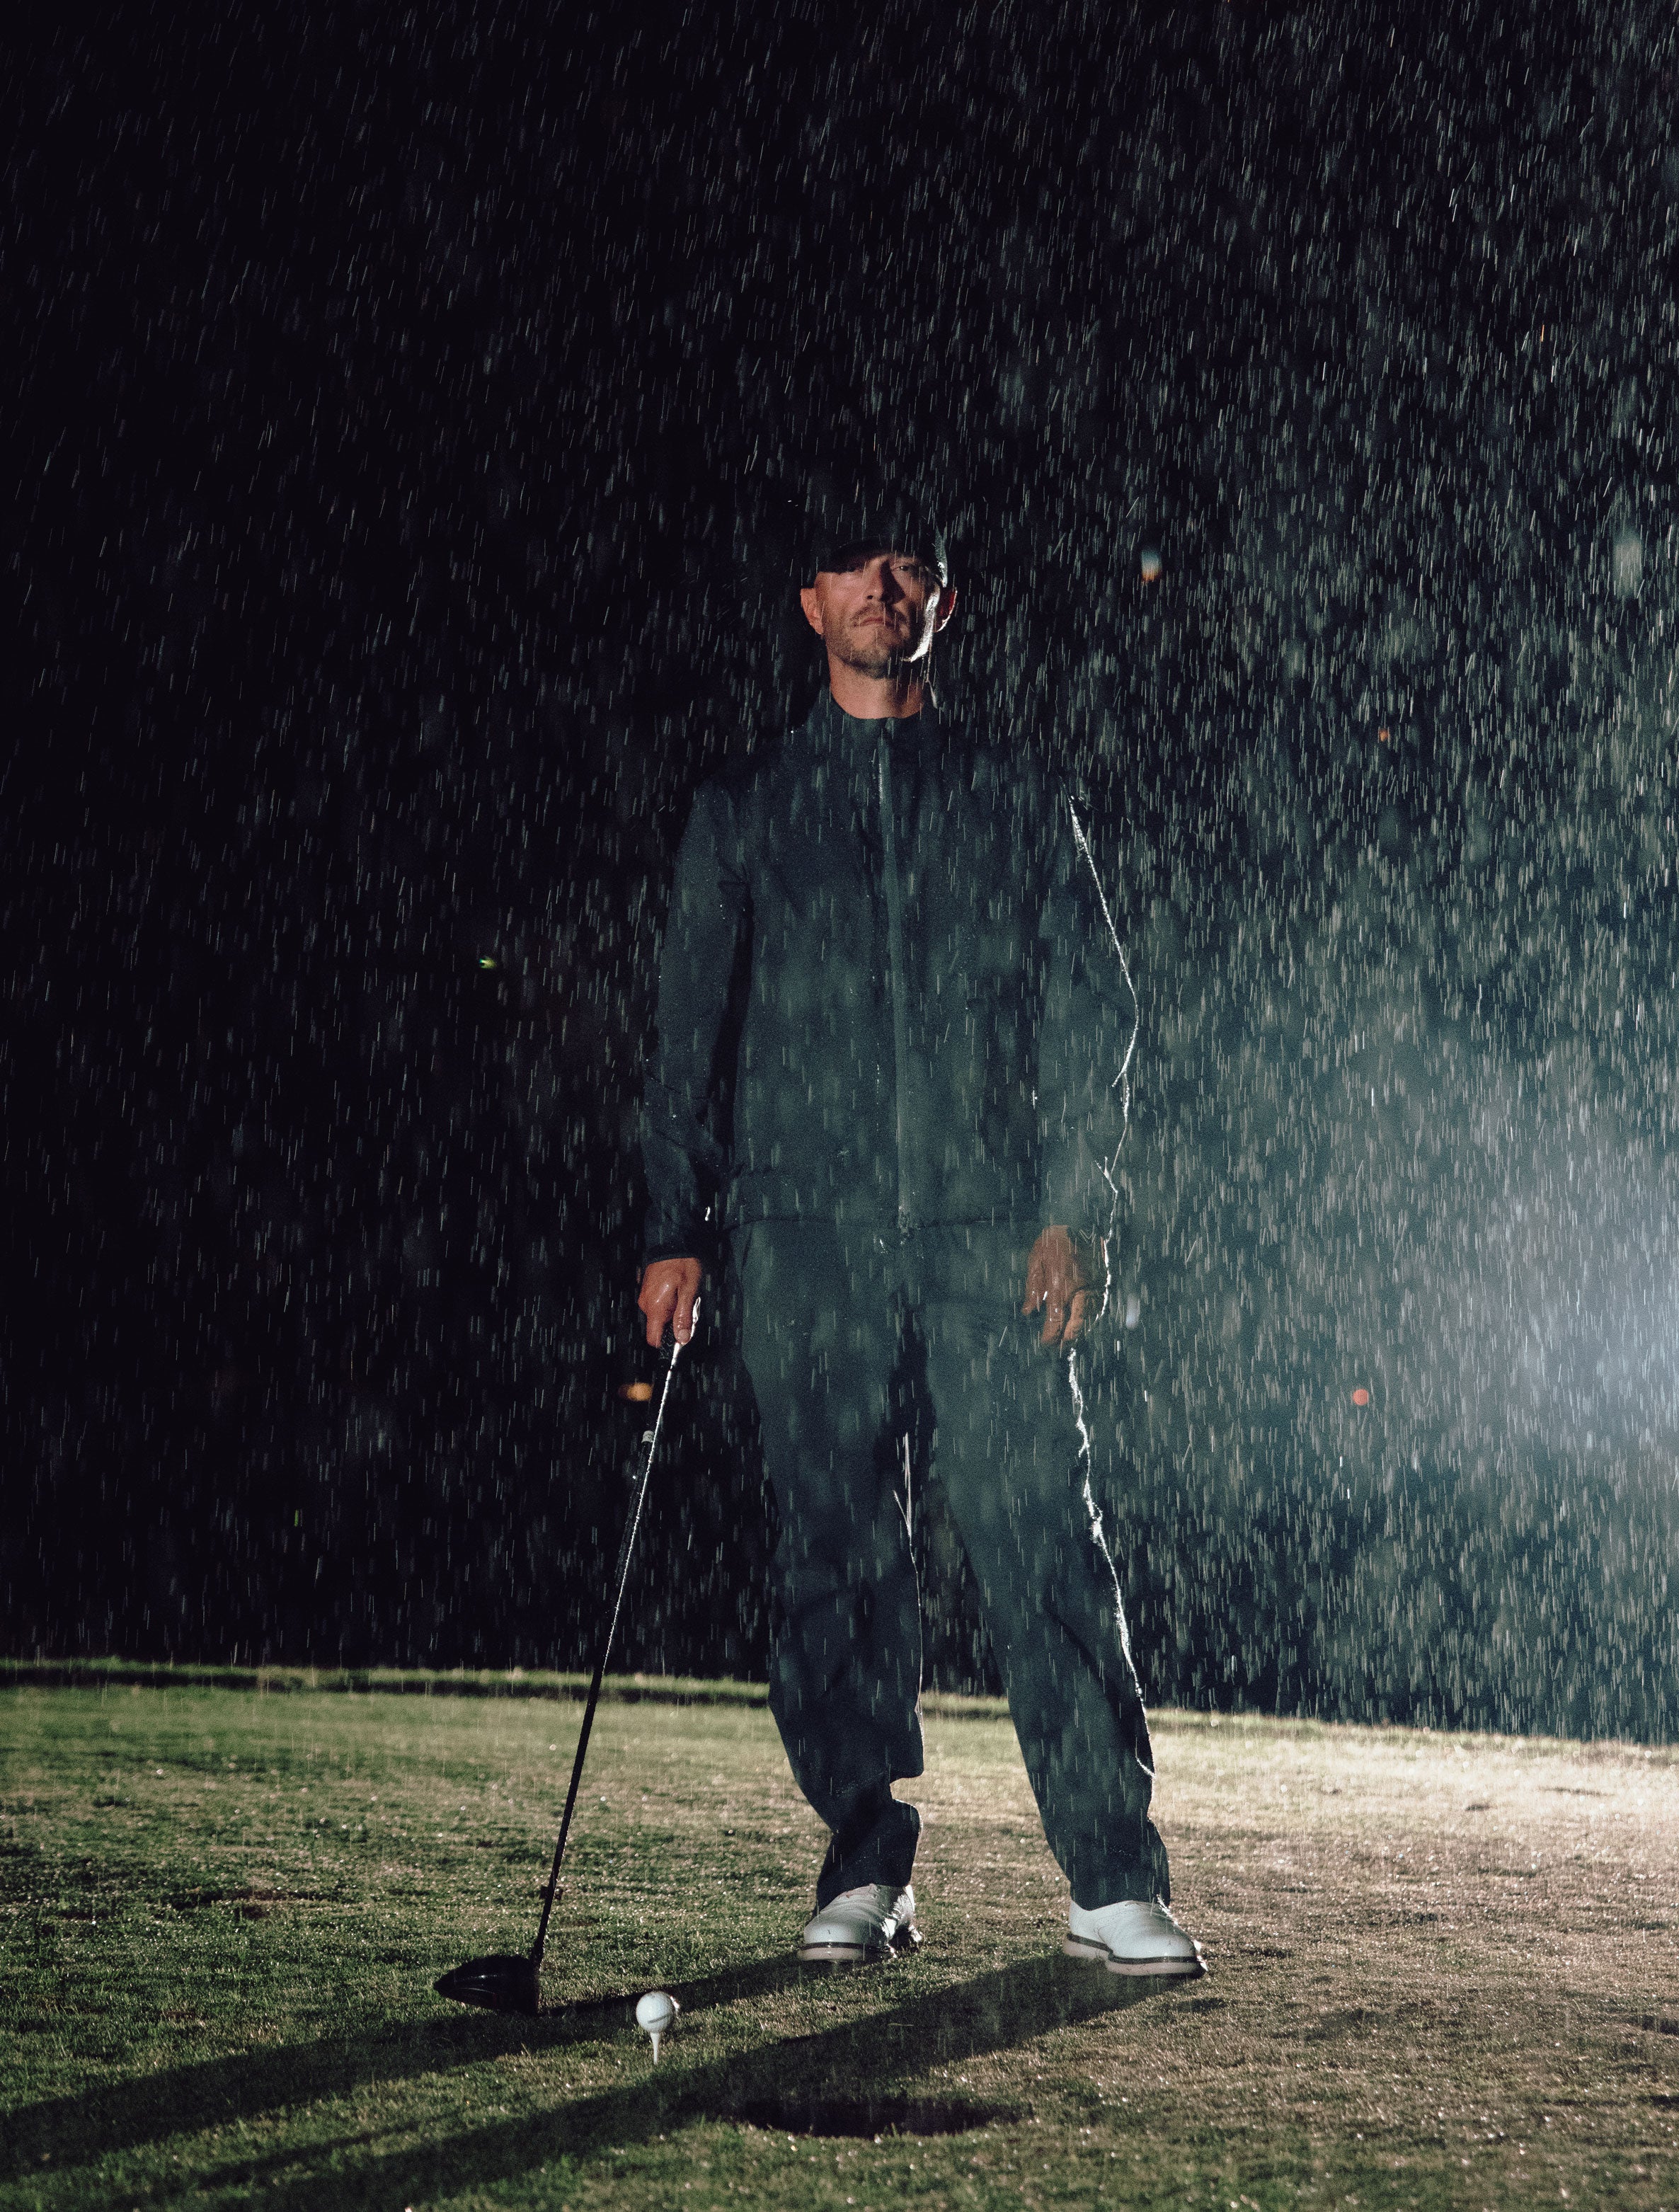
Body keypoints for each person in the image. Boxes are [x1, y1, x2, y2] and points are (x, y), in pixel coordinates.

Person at [636, 475, 1203, 1978]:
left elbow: (1094, 1013)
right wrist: (671, 1224)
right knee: (833, 1550)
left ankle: (1110, 1876)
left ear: (942, 599)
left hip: (986, 1234)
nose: (882, 589)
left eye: (908, 567)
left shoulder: (1015, 795)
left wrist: (1075, 1207)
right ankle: (864, 1859)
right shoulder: (748, 808)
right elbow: (687, 1031)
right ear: (810, 601)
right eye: (853, 568)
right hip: (803, 1236)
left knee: (1040, 1538)